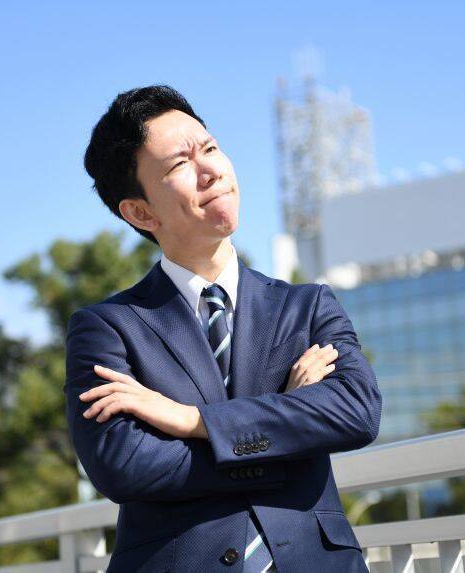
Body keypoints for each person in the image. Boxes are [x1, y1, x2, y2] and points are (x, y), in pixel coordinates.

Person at [66, 84, 382, 572]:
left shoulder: (307, 306)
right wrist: (289, 426)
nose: (211, 170)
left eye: (210, 148)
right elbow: (124, 466)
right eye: (180, 163)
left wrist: (191, 421)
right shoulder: (108, 328)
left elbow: (356, 411)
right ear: (140, 211)